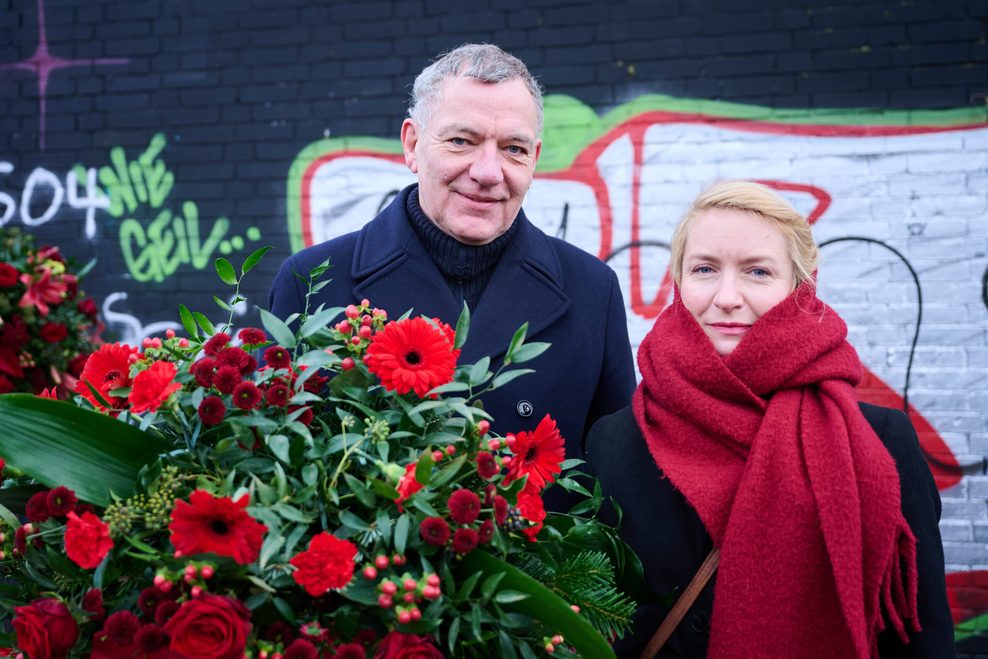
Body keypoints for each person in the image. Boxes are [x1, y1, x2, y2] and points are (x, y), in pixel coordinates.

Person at [587, 181, 955, 658]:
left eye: (757, 272)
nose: (726, 296)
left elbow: (922, 636)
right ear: (678, 281)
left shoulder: (877, 439)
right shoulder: (616, 439)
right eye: (704, 269)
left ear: (801, 287)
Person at [269, 44, 636, 509]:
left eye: (513, 149)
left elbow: (615, 486)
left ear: (535, 159)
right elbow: (278, 469)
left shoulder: (592, 289)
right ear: (412, 144)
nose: (487, 172)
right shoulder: (311, 283)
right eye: (461, 141)